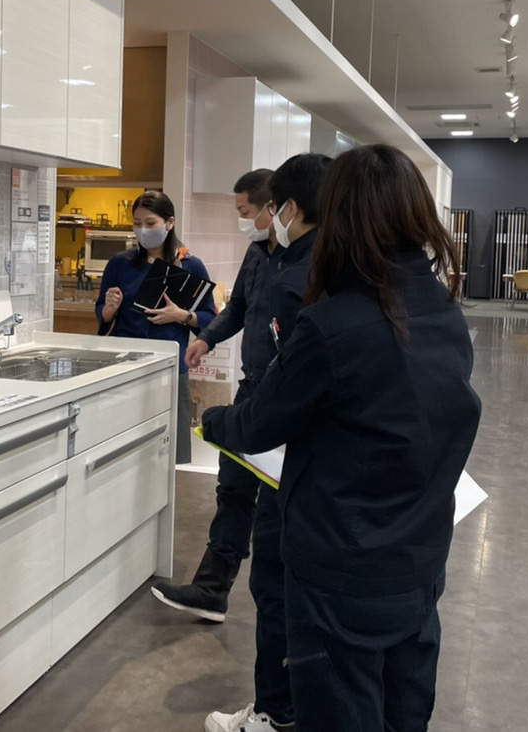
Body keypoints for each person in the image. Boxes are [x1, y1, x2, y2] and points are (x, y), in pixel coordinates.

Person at [202, 144, 481, 732]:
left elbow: (261, 423)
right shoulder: (445, 313)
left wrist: (211, 420)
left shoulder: (333, 324)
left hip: (342, 563)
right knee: (405, 707)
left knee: (340, 707)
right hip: (420, 554)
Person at [200, 153, 331, 732]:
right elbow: (238, 314)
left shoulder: (302, 278)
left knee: (277, 577)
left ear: (288, 208)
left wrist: (222, 424)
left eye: (262, 208)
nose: (255, 219)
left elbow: (288, 392)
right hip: (303, 441)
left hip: (287, 443)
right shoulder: (336, 268)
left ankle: (277, 712)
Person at [152, 169, 276, 624]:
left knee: (276, 504)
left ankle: (278, 609)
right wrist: (205, 337)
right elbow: (238, 307)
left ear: (274, 208)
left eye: (245, 211)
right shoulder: (258, 252)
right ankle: (211, 589)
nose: (242, 220)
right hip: (252, 387)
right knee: (233, 487)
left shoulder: (309, 258)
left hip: (287, 395)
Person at [96, 190, 216, 463]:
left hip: (170, 367)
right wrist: (109, 308)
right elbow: (102, 316)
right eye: (137, 223)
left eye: (150, 223)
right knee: (124, 448)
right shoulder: (120, 264)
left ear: (169, 223)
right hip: (126, 367)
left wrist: (182, 315)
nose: (143, 230)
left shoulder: (191, 265)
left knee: (168, 449)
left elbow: (210, 319)